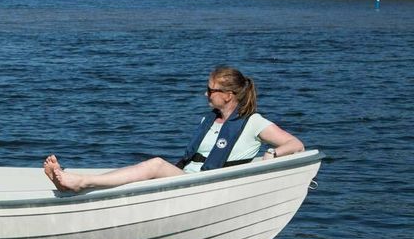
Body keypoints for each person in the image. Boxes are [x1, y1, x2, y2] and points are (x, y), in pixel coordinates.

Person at [44, 65, 304, 192]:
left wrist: (273, 154)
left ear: (228, 95)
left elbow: (295, 145)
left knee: (155, 165)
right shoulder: (209, 121)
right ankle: (76, 184)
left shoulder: (253, 122)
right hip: (188, 179)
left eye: (211, 90)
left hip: (209, 185)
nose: (206, 94)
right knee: (139, 172)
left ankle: (81, 182)